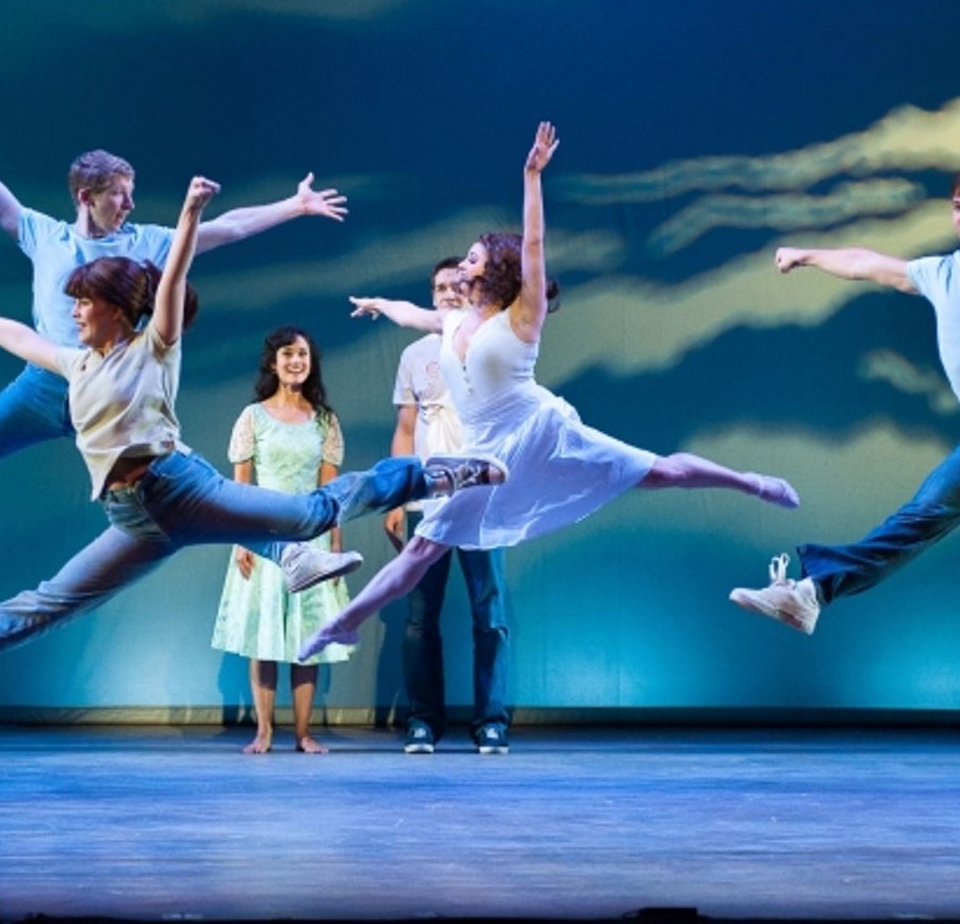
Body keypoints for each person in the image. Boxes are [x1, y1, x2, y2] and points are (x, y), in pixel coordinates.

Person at [0, 176, 505, 686]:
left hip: (178, 487)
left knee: (313, 511)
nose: (74, 312)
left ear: (118, 309)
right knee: (53, 601)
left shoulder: (153, 348)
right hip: (135, 518)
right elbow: (23, 336)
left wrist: (193, 214)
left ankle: (441, 473)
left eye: (84, 302)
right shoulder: (76, 361)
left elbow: (170, 283)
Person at [299, 123, 800, 726]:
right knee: (423, 551)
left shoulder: (521, 316)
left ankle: (750, 482)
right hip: (483, 458)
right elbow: (415, 315)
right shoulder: (453, 321)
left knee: (656, 473)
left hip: (540, 430)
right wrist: (380, 305)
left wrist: (531, 178)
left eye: (476, 254)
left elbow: (533, 247)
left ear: (497, 270)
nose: (465, 260)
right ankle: (340, 623)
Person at [0, 64, 350, 553]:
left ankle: (282, 550)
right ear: (86, 196)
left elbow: (225, 228)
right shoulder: (44, 235)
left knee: (188, 482)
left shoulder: (146, 242)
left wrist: (293, 207)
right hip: (46, 381)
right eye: (118, 194)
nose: (128, 203)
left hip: (116, 388)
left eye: (130, 192)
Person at [729, 112, 960, 635]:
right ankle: (810, 593)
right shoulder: (940, 273)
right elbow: (864, 263)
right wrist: (805, 254)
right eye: (958, 207)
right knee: (914, 521)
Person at [385, 258, 511, 755]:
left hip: (483, 499)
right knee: (420, 618)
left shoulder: (493, 345)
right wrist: (397, 494)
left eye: (459, 285)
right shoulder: (415, 355)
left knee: (490, 614)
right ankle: (423, 721)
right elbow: (405, 428)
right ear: (430, 295)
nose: (449, 294)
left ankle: (492, 722)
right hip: (428, 502)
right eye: (440, 288)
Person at [211, 327, 351, 754]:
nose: (296, 361)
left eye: (303, 354)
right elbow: (239, 491)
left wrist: (334, 548)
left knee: (307, 640)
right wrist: (241, 541)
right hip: (265, 540)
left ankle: (304, 733)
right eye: (288, 354)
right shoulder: (253, 417)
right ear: (273, 362)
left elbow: (332, 495)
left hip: (310, 540)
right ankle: (264, 731)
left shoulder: (324, 420)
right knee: (265, 637)